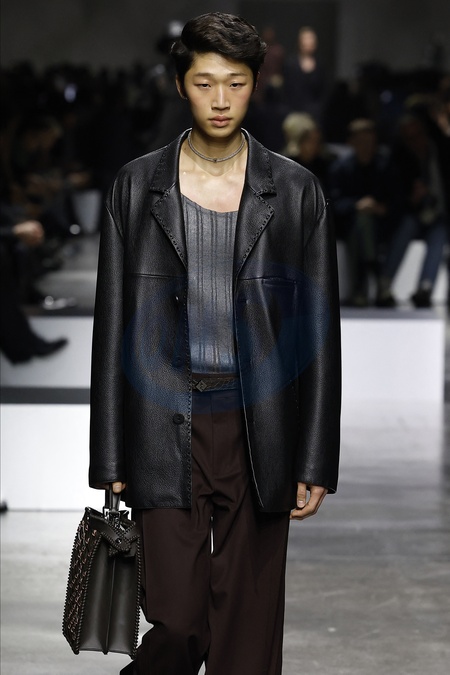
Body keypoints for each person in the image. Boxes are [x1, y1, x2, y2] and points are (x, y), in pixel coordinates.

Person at [89, 12, 341, 675]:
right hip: (160, 421)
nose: (221, 100)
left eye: (236, 83)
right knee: (176, 621)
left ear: (257, 83)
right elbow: (110, 325)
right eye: (205, 83)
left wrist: (316, 455)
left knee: (247, 633)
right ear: (180, 85)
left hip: (263, 425)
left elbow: (319, 335)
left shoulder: (296, 191)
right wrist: (108, 451)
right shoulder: (136, 187)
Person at [376, 113, 448, 308]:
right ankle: (385, 284)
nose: (414, 142)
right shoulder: (399, 158)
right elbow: (394, 195)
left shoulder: (442, 151)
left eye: (417, 136)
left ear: (424, 133)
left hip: (440, 214)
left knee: (440, 232)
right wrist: (412, 198)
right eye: (408, 138)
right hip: (411, 214)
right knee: (407, 225)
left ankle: (425, 288)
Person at [329, 119, 392, 306]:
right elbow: (333, 203)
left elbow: (396, 199)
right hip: (348, 224)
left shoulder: (385, 167)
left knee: (364, 225)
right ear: (351, 143)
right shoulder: (340, 168)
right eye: (361, 142)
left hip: (381, 225)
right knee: (362, 222)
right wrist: (357, 205)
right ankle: (375, 270)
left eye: (370, 142)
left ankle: (360, 288)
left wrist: (381, 208)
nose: (366, 146)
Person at [283, 26, 327, 123]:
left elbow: (322, 91)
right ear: (299, 42)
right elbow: (287, 90)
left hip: (314, 114)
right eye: (306, 39)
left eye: (312, 39)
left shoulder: (320, 64)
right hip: (294, 113)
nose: (309, 42)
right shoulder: (290, 64)